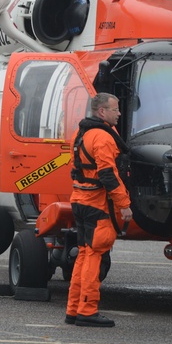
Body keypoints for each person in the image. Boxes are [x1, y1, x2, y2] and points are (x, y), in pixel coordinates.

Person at [66, 93, 132, 328]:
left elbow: (76, 168)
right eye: (115, 109)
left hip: (79, 199)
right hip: (97, 204)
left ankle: (74, 309)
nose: (119, 113)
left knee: (84, 253)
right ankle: (87, 310)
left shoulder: (80, 133)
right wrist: (124, 205)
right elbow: (108, 175)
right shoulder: (102, 138)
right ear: (102, 112)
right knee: (94, 255)